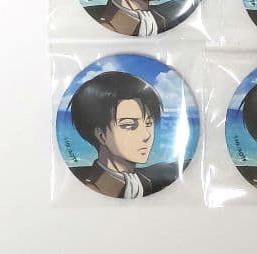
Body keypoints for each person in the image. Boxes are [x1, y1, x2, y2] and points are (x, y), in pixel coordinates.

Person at [68, 71, 176, 199]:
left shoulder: (145, 183)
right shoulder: (91, 188)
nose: (146, 135)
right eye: (129, 125)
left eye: (148, 123)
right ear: (101, 135)